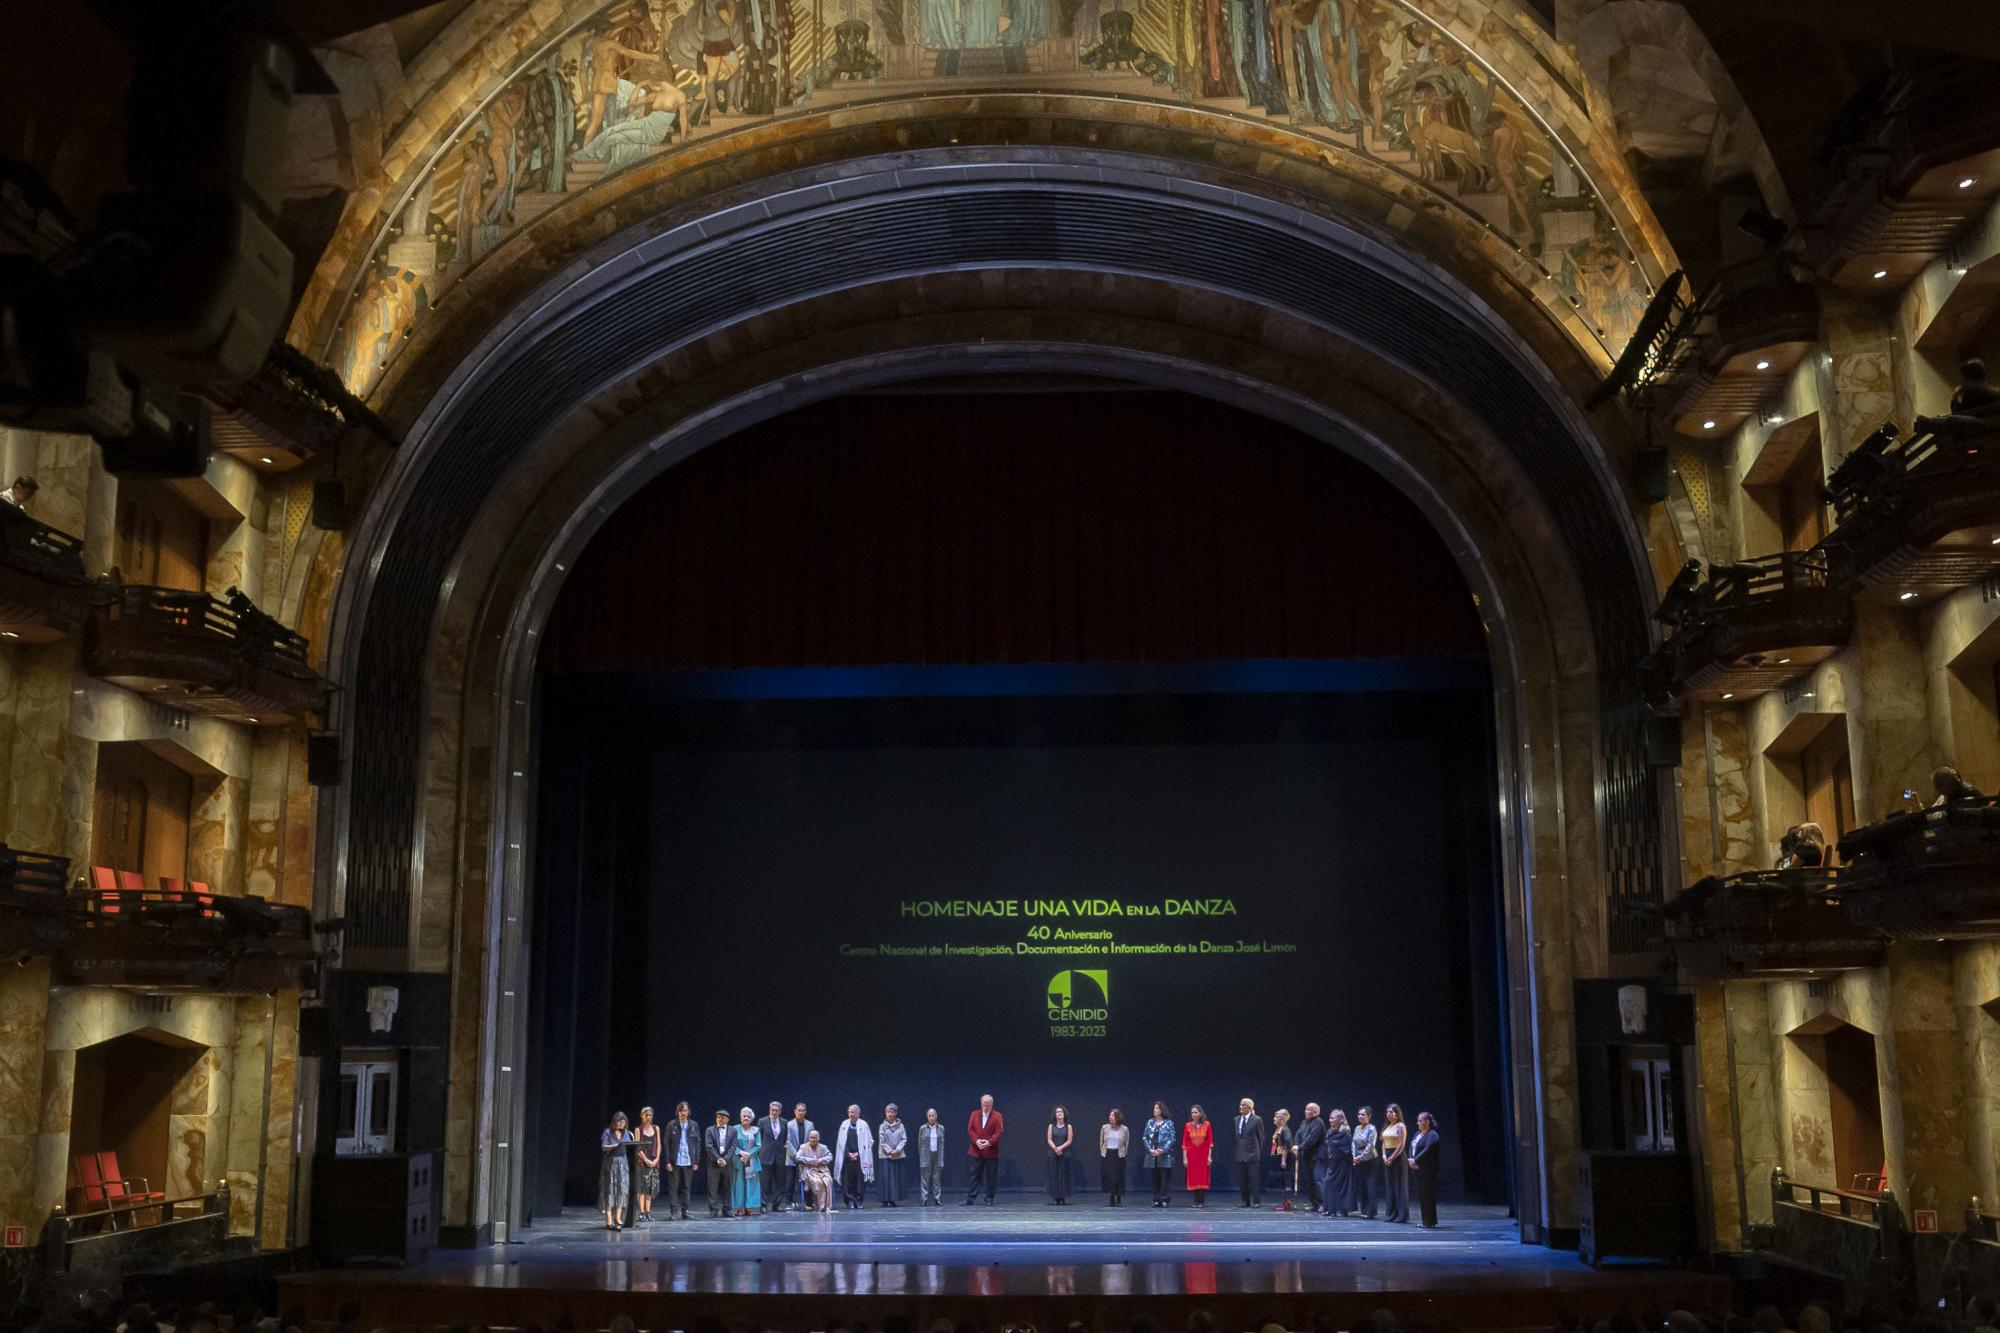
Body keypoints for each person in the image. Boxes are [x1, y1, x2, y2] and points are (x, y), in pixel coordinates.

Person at [964, 1094, 1004, 1205]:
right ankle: (970, 1198)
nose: (985, 1108)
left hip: (991, 1152)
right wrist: (976, 1141)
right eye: (984, 1105)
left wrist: (989, 1142)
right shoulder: (974, 1114)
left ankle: (989, 1198)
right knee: (974, 1175)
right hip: (976, 1150)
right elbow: (970, 1130)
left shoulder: (997, 1116)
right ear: (981, 1104)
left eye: (988, 1105)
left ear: (992, 1105)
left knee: (991, 1176)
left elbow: (999, 1131)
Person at [833, 1104, 875, 1210]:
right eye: (849, 1112)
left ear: (858, 1113)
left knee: (860, 1181)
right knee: (848, 1181)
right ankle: (850, 1201)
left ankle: (859, 1201)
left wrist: (858, 1153)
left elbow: (868, 1142)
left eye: (853, 1112)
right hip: (847, 1158)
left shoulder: (863, 1125)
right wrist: (848, 1153)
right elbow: (841, 1143)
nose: (850, 1114)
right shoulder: (844, 1125)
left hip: (861, 1157)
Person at [599, 1111, 635, 1230]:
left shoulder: (628, 1134)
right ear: (614, 1122)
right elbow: (604, 1147)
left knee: (621, 1191)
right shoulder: (607, 1132)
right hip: (611, 1164)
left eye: (623, 1122)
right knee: (610, 1190)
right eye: (619, 1122)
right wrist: (614, 1146)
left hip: (623, 1165)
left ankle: (618, 1217)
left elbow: (633, 1146)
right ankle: (609, 1218)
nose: (621, 1124)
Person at [663, 1102, 699, 1219]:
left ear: (688, 1112)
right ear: (677, 1112)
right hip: (675, 1161)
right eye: (681, 1111)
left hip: (688, 1161)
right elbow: (666, 1144)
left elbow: (697, 1143)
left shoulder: (693, 1125)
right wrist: (667, 1161)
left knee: (686, 1187)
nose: (683, 1113)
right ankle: (674, 1212)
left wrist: (696, 1161)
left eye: (685, 1111)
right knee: (673, 1188)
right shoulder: (671, 1125)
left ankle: (685, 1212)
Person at [1408, 1111, 1441, 1228]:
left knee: (1428, 1196)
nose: (1418, 1123)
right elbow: (1411, 1147)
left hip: (1427, 1169)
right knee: (1422, 1196)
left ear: (1427, 1122)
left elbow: (1427, 1150)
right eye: (1418, 1121)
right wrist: (1410, 1160)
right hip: (1417, 1170)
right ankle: (1425, 1221)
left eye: (1420, 1121)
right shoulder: (1418, 1133)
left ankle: (1430, 1221)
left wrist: (1415, 1160)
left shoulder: (1432, 1134)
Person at [1379, 1104, 1410, 1223]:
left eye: (1391, 1112)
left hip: (1397, 1157)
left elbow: (1402, 1145)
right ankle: (1392, 1214)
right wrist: (1384, 1156)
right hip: (1387, 1156)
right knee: (1390, 1186)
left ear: (1397, 1113)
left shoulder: (1400, 1126)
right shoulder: (1387, 1126)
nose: (1389, 1114)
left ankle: (1402, 1216)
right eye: (1387, 1112)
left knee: (1399, 1186)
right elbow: (1383, 1143)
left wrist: (1391, 1157)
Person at [730, 1107, 763, 1217]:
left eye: (748, 1117)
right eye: (744, 1116)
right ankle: (739, 1207)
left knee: (751, 1184)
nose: (746, 1118)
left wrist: (748, 1154)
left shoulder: (756, 1130)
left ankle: (749, 1207)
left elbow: (758, 1145)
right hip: (739, 1160)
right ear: (740, 1117)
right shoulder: (735, 1129)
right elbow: (732, 1145)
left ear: (751, 1119)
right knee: (739, 1184)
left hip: (752, 1161)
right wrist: (741, 1153)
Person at [1143, 1101, 1176, 1206]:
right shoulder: (1150, 1122)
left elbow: (1172, 1138)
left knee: (1165, 1179)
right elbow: (1145, 1137)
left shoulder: (1169, 1123)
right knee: (1154, 1179)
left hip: (1165, 1155)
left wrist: (1163, 1149)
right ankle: (1156, 1199)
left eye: (1157, 1108)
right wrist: (1150, 1149)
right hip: (1152, 1155)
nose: (1154, 1110)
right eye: (1154, 1108)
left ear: (1162, 1110)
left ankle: (1165, 1199)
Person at [1232, 1098, 1264, 1207]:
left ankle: (1256, 1201)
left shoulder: (1256, 1120)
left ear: (1249, 1107)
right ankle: (1245, 1201)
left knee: (1254, 1179)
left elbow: (1261, 1137)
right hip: (1240, 1153)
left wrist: (1257, 1151)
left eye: (1243, 1105)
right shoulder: (1236, 1119)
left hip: (1252, 1153)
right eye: (1240, 1105)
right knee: (1243, 1179)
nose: (1240, 1107)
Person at [1294, 1103, 1326, 1212]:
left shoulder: (1318, 1122)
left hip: (1317, 1156)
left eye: (1309, 1110)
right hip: (1307, 1156)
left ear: (1315, 1112)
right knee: (1310, 1181)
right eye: (1306, 1109)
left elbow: (1312, 1139)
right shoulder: (1304, 1122)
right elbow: (1299, 1135)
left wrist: (1300, 1147)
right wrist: (1295, 1145)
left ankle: (1322, 1204)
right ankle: (1314, 1203)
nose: (1306, 1111)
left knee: (1318, 1180)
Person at [1322, 1109, 1354, 1216]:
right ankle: (1330, 1208)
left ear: (1340, 1120)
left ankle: (1341, 1209)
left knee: (1340, 1186)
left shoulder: (1345, 1133)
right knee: (1328, 1183)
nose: (1330, 1120)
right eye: (1330, 1117)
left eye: (1332, 1118)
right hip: (1332, 1163)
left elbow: (1347, 1149)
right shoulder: (1330, 1131)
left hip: (1342, 1163)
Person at [784, 1102, 816, 1208]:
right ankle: (789, 1203)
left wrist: (804, 1156)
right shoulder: (789, 1124)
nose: (801, 1112)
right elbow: (787, 1142)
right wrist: (797, 1155)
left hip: (805, 1158)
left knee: (808, 1180)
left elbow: (812, 1141)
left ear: (805, 1112)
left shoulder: (810, 1124)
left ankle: (808, 1203)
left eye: (803, 1110)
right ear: (795, 1111)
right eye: (799, 1110)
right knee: (790, 1181)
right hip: (792, 1157)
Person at [704, 1109, 735, 1217]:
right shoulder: (710, 1130)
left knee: (727, 1187)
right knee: (713, 1187)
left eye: (722, 1117)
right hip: (714, 1162)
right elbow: (709, 1146)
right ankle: (713, 1210)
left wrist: (725, 1160)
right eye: (718, 1117)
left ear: (727, 1120)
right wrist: (717, 1158)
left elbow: (733, 1147)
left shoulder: (733, 1130)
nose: (719, 1119)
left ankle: (727, 1209)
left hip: (727, 1163)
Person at [633, 1107, 661, 1223]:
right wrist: (645, 1160)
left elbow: (659, 1144)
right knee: (641, 1188)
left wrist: (657, 1159)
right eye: (646, 1115)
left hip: (654, 1161)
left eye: (650, 1115)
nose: (648, 1117)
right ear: (642, 1116)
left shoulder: (656, 1128)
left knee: (650, 1189)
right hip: (642, 1162)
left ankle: (648, 1212)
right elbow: (638, 1147)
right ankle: (641, 1213)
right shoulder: (638, 1129)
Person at [1182, 1104, 1214, 1207]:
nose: (1194, 1114)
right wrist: (1185, 1158)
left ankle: (1202, 1201)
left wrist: (1209, 1156)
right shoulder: (1187, 1125)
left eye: (1196, 1112)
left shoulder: (1207, 1125)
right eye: (1192, 1113)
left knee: (1203, 1177)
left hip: (1203, 1155)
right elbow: (1184, 1144)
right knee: (1194, 1177)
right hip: (1192, 1156)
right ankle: (1195, 1201)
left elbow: (1210, 1142)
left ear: (1200, 1113)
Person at [796, 1128, 834, 1213]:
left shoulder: (823, 1147)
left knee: (827, 1180)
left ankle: (825, 1205)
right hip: (808, 1170)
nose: (812, 1139)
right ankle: (819, 1204)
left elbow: (830, 1156)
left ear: (818, 1138)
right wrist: (811, 1160)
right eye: (811, 1137)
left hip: (821, 1170)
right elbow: (798, 1157)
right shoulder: (803, 1147)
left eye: (814, 1137)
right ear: (808, 1138)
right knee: (817, 1181)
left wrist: (820, 1160)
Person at [1351, 1105, 1380, 1219]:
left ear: (1369, 1116)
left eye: (1363, 1114)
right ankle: (1364, 1210)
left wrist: (1361, 1157)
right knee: (1361, 1185)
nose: (1360, 1116)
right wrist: (1354, 1155)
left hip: (1370, 1160)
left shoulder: (1372, 1128)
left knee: (1370, 1186)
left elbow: (1371, 1145)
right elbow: (1353, 1143)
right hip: (1358, 1160)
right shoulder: (1357, 1128)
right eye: (1359, 1114)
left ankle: (1371, 1211)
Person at [877, 1104, 909, 1206]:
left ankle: (893, 1199)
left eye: (891, 1112)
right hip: (885, 1156)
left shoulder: (901, 1126)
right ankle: (885, 1200)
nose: (889, 1114)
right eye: (888, 1112)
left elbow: (904, 1139)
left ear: (895, 1113)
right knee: (886, 1178)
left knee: (895, 1178)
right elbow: (882, 1141)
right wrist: (890, 1151)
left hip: (898, 1155)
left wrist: (897, 1150)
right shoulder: (882, 1127)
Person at [760, 1102, 789, 1211]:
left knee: (779, 1182)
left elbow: (785, 1138)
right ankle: (763, 1205)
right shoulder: (762, 1121)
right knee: (765, 1182)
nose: (774, 1112)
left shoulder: (784, 1122)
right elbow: (759, 1138)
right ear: (769, 1110)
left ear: (780, 1111)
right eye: (772, 1110)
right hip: (766, 1156)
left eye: (776, 1110)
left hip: (780, 1156)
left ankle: (776, 1205)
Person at [916, 1107, 947, 1205]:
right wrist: (922, 1155)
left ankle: (937, 1198)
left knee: (936, 1177)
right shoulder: (923, 1128)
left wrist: (941, 1156)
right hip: (926, 1154)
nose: (931, 1118)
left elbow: (942, 1143)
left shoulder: (941, 1128)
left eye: (933, 1115)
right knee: (925, 1177)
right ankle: (924, 1198)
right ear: (927, 1117)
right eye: (929, 1116)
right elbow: (919, 1143)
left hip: (937, 1154)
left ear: (936, 1116)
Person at [1099, 1108, 1129, 1206]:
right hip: (1108, 1154)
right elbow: (1101, 1142)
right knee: (1109, 1177)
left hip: (1119, 1155)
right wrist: (1103, 1152)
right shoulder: (1104, 1127)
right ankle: (1111, 1196)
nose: (1111, 1117)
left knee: (1119, 1177)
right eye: (1110, 1115)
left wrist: (1123, 1153)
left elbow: (1126, 1143)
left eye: (1113, 1116)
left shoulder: (1124, 1129)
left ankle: (1119, 1197)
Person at [1046, 1106, 1075, 1204]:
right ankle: (1055, 1197)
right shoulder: (1051, 1126)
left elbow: (1069, 1140)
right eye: (1057, 1112)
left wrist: (1060, 1148)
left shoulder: (1069, 1127)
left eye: (1061, 1112)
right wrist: (1055, 1148)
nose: (1059, 1113)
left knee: (1063, 1176)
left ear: (1064, 1114)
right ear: (1055, 1114)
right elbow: (1049, 1139)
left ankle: (1063, 1197)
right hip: (1053, 1154)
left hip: (1065, 1154)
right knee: (1054, 1176)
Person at [1268, 1108, 1294, 1211]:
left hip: (1284, 1157)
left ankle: (1287, 1202)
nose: (1274, 1119)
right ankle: (1284, 1201)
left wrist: (1283, 1160)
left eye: (1277, 1117)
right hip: (1277, 1156)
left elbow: (1286, 1145)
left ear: (1282, 1120)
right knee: (1281, 1181)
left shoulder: (1285, 1129)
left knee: (1285, 1180)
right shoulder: (1278, 1128)